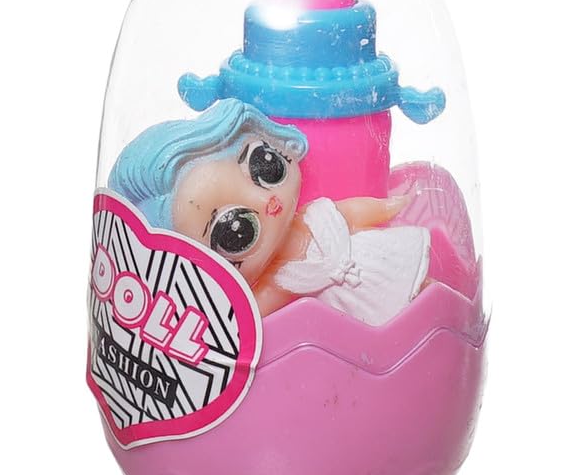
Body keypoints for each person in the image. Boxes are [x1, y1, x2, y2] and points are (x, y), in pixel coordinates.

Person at [109, 99, 429, 325]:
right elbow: (251, 322)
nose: (267, 202)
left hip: (382, 258)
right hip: (355, 318)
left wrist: (395, 205)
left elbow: (352, 213)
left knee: (422, 292)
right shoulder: (277, 280)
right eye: (235, 230)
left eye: (264, 165)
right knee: (396, 328)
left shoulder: (311, 216)